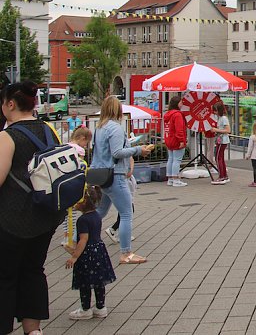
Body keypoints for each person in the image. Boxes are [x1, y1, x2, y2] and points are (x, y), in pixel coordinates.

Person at [0, 81, 68, 335]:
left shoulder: (8, 137)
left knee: (5, 276)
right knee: (33, 271)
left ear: (10, 104)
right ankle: (33, 330)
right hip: (45, 217)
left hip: (12, 220)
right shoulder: (48, 131)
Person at [92, 95, 153, 265]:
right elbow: (117, 152)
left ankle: (75, 240)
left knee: (99, 211)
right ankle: (126, 253)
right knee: (126, 213)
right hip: (115, 175)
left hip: (102, 174)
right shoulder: (115, 128)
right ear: (118, 110)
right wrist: (137, 150)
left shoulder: (100, 128)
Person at [64, 186, 116, 320]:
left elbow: (83, 239)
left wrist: (74, 256)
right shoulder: (97, 215)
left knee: (85, 283)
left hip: (87, 254)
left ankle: (85, 309)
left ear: (84, 202)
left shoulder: (82, 220)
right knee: (99, 281)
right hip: (99, 250)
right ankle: (100, 307)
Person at [163, 96, 188, 187]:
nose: (182, 104)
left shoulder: (167, 114)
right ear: (177, 103)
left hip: (169, 139)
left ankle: (170, 179)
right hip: (176, 140)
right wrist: (181, 140)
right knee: (177, 160)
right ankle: (176, 179)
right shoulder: (177, 115)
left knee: (171, 159)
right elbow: (179, 129)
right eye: (181, 102)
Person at [210, 102, 231, 184]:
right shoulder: (219, 118)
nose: (214, 112)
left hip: (222, 140)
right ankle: (224, 175)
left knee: (218, 158)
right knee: (220, 158)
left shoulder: (223, 118)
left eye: (215, 111)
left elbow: (228, 130)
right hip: (220, 140)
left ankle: (222, 176)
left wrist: (216, 130)